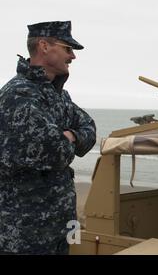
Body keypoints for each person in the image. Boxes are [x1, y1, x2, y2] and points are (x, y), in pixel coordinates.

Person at [0, 21, 96, 254]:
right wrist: (65, 141)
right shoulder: (18, 94)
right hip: (24, 234)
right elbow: (54, 152)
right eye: (68, 49)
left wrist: (70, 135)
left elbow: (89, 128)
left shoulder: (59, 96)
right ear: (44, 46)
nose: (73, 56)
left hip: (58, 229)